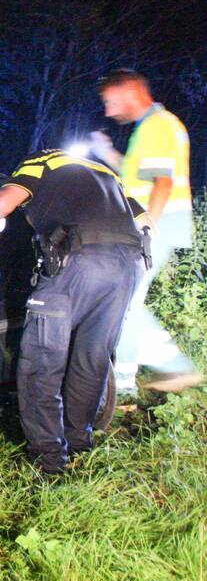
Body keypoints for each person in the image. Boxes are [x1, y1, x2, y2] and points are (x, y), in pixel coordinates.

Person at [0, 149, 145, 473]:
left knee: (40, 362)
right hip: (129, 265)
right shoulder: (106, 174)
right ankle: (80, 447)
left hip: (80, 262)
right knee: (92, 358)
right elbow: (147, 222)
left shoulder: (42, 162)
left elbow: (1, 205)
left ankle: (50, 463)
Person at [90, 68, 199, 392]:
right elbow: (140, 174)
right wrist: (105, 152)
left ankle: (173, 369)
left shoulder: (157, 127)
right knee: (126, 302)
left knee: (122, 303)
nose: (108, 110)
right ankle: (125, 384)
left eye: (110, 102)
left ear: (131, 93)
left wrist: (147, 227)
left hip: (160, 224)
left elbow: (163, 183)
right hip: (160, 223)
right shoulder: (152, 127)